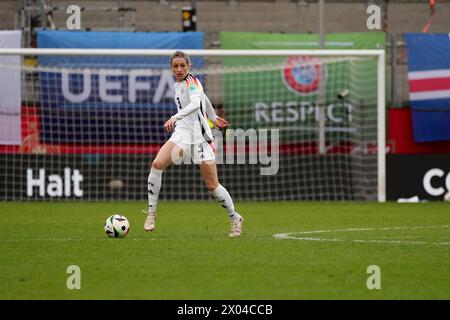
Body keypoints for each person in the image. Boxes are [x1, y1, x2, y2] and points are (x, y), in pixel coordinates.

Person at [143, 51, 244, 237]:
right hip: (182, 134)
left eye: (182, 66)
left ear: (188, 66)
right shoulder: (178, 84)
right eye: (175, 66)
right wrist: (213, 116)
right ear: (172, 68)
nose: (179, 69)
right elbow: (204, 97)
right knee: (157, 164)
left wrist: (175, 117)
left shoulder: (192, 82)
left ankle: (235, 218)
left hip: (200, 137)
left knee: (213, 186)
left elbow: (197, 103)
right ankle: (151, 213)